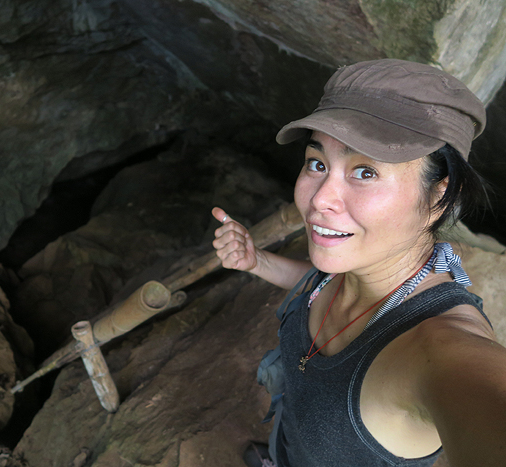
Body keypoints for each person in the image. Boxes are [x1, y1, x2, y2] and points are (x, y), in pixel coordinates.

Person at [211, 59, 506, 467]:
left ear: (438, 199)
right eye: (317, 164)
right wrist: (257, 261)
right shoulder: (356, 266)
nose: (319, 200)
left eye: (365, 171)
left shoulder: (439, 348)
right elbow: (319, 286)